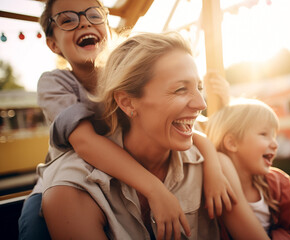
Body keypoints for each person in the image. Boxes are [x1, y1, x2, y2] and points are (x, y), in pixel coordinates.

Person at [18, 0, 236, 239]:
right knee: (36, 225)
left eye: (94, 15)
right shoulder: (55, 84)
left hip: (119, 169)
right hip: (67, 177)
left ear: (107, 29)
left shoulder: (127, 78)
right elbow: (86, 143)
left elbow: (190, 129)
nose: (84, 22)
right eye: (67, 20)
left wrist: (214, 166)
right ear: (53, 44)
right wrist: (155, 189)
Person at [38, 31, 270, 239]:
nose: (201, 104)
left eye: (198, 87)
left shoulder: (214, 167)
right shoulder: (72, 192)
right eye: (180, 89)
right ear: (127, 102)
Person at [205, 98, 290, 240]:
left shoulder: (280, 184)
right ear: (232, 143)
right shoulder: (213, 190)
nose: (275, 144)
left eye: (274, 136)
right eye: (264, 134)